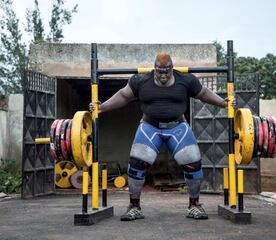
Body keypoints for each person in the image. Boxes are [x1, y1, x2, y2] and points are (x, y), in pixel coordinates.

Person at [89, 53, 235, 221]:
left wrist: (224, 103)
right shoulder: (141, 80)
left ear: (172, 68)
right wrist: (102, 107)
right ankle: (134, 207)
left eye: (167, 72)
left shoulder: (186, 79)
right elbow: (123, 96)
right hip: (150, 127)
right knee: (136, 165)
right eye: (160, 72)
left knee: (193, 165)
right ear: (155, 69)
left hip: (178, 127)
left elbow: (203, 93)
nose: (164, 76)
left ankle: (194, 205)